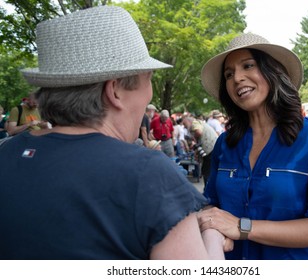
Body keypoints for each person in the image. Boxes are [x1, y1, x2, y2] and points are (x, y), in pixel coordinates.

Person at [0, 6, 228, 260]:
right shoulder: (148, 174)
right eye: (148, 78)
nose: (149, 93)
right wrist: (213, 237)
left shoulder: (7, 152)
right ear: (115, 90)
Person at [197, 32, 308, 260]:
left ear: (273, 72)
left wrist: (242, 227)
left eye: (248, 65)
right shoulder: (224, 144)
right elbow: (212, 206)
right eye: (228, 74)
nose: (237, 78)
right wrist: (215, 228)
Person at [182, 116, 218, 187]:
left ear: (189, 122)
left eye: (185, 124)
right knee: (209, 170)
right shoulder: (200, 123)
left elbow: (199, 132)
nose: (184, 126)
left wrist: (194, 139)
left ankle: (208, 190)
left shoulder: (194, 123)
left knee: (206, 171)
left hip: (210, 149)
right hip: (212, 147)